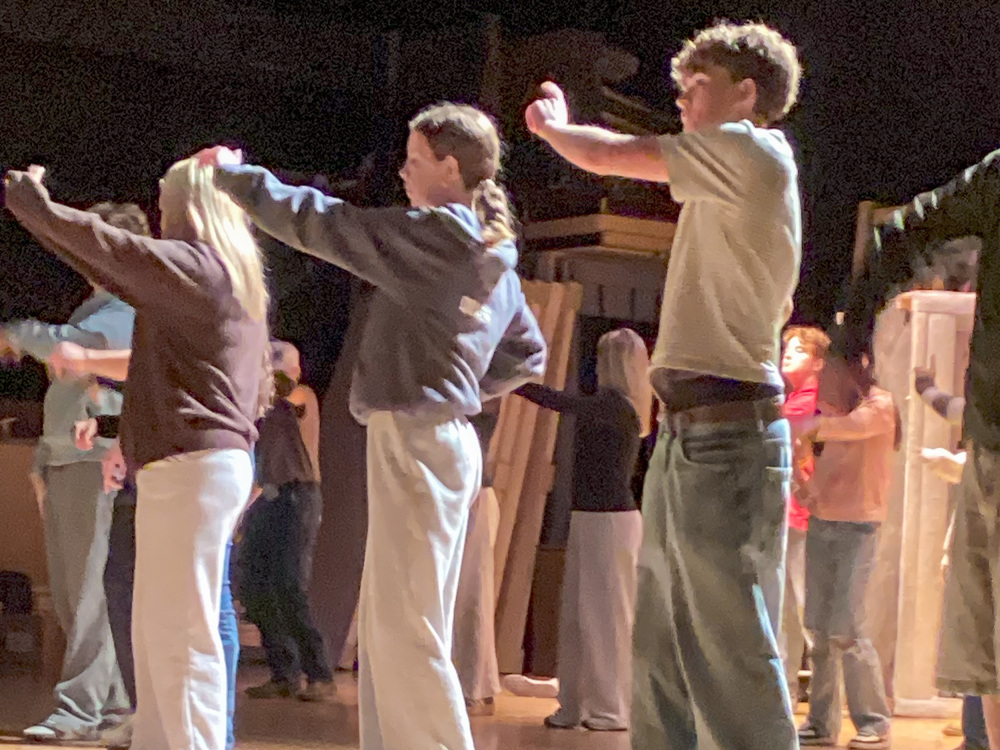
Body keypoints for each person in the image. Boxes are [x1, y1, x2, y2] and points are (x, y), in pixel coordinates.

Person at [211, 102, 547, 750]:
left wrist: (239, 178)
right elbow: (525, 354)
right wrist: (456, 385)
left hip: (421, 438)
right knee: (398, 616)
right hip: (439, 438)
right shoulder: (487, 251)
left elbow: (332, 226)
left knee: (407, 622)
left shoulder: (440, 234)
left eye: (416, 160)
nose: (403, 172)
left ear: (451, 166)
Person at [524, 20, 802, 749]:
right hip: (691, 434)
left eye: (696, 88)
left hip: (728, 430)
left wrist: (556, 129)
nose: (681, 102)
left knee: (729, 647)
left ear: (747, 93)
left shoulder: (750, 150)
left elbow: (613, 155)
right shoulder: (727, 178)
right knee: (664, 646)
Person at [4, 152, 271, 750]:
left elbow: (105, 248)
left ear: (189, 205)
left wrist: (32, 206)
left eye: (165, 194)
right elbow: (164, 373)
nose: (158, 206)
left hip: (194, 467)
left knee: (183, 630)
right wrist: (124, 440)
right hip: (182, 465)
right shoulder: (216, 276)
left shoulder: (197, 268)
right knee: (159, 628)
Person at [837, 147, 1000, 748]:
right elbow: (906, 231)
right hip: (992, 443)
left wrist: (851, 338)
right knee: (988, 662)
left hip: (993, 444)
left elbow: (906, 232)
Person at [0, 200, 139, 743]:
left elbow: (76, 354)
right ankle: (108, 706)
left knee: (85, 593)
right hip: (67, 461)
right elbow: (73, 386)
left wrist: (17, 333)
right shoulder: (98, 307)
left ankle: (81, 710)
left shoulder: (122, 310)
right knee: (71, 591)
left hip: (91, 463)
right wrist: (41, 461)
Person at [60, 342, 243, 750]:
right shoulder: (161, 308)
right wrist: (116, 431)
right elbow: (154, 386)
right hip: (152, 459)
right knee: (124, 586)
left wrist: (85, 360)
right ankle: (149, 713)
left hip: (199, 455)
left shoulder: (208, 296)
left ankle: (218, 732)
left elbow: (162, 365)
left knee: (209, 599)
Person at [514, 327, 650, 732]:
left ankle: (610, 708)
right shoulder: (620, 405)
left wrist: (515, 381)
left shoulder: (615, 406)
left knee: (605, 617)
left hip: (611, 521)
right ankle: (572, 705)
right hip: (592, 518)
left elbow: (560, 401)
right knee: (577, 616)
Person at [789, 353, 899, 749]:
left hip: (859, 527)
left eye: (832, 372)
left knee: (848, 628)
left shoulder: (879, 406)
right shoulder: (831, 417)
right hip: (824, 524)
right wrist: (802, 486)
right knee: (818, 629)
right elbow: (819, 468)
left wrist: (807, 427)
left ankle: (874, 720)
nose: (827, 382)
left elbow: (852, 428)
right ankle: (820, 723)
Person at [241, 341, 334, 702]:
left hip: (298, 498)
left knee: (289, 585)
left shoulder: (301, 396)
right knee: (253, 585)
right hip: (268, 496)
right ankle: (284, 673)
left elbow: (287, 393)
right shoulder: (263, 409)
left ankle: (320, 674)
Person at [779, 325, 830, 702]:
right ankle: (786, 692)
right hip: (788, 517)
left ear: (818, 362)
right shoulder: (793, 403)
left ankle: (821, 702)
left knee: (805, 612)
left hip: (802, 518)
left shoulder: (810, 406)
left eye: (798, 349)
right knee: (786, 614)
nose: (787, 353)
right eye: (786, 348)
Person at [452, 400, 502, 717]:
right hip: (462, 497)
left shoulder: (482, 408)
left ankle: (474, 687)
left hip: (475, 498)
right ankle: (470, 682)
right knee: (461, 594)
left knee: (473, 592)